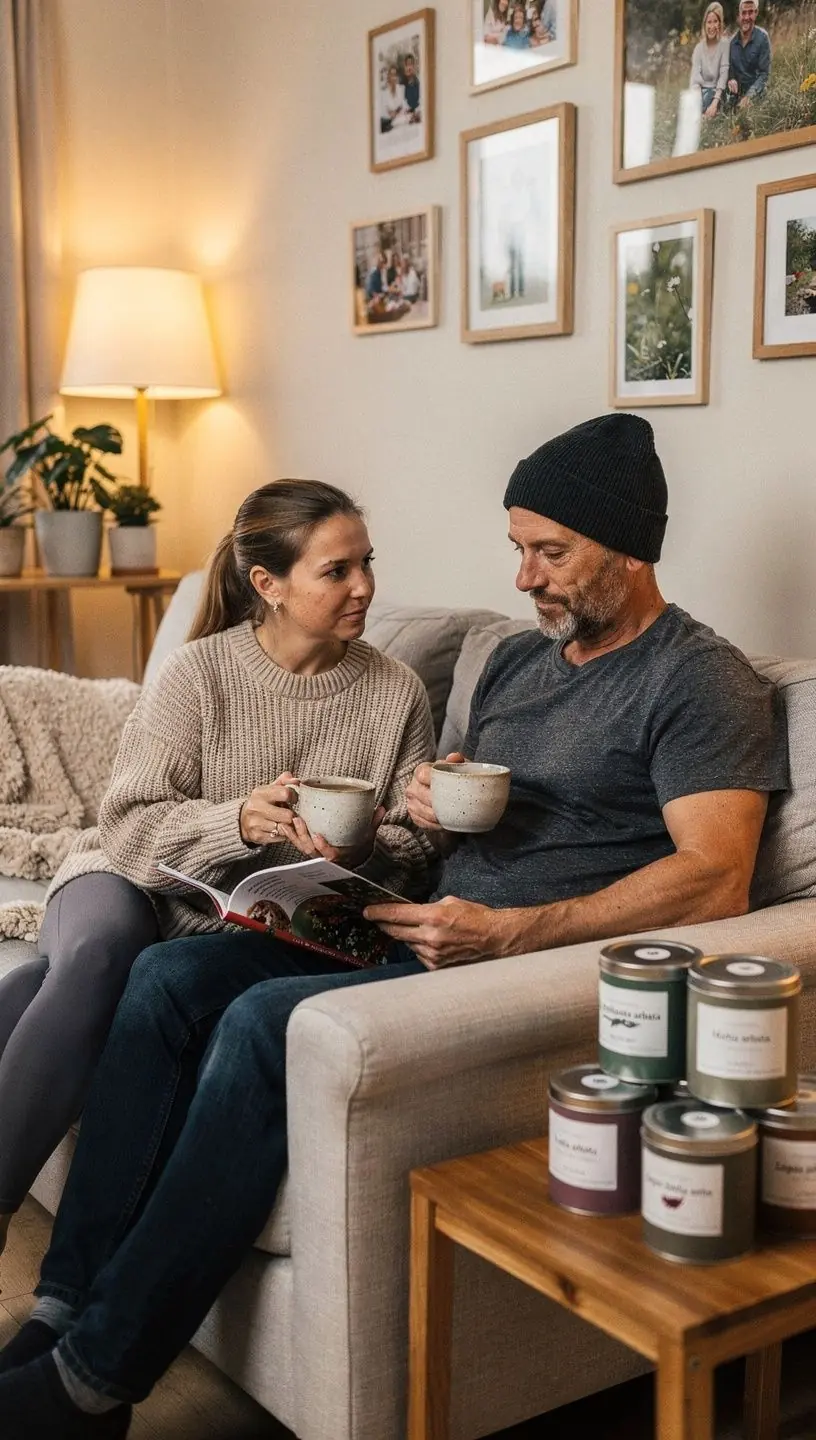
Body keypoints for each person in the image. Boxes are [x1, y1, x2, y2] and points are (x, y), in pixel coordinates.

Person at [0, 415, 788, 1438]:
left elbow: (718, 878)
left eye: (550, 552)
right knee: (161, 983)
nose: (524, 578)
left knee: (256, 1026)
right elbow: (445, 810)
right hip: (399, 919)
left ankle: (92, 1382)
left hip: (496, 955)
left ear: (630, 545)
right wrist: (416, 801)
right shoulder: (516, 663)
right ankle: (64, 1304)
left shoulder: (699, 679)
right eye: (518, 549)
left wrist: (512, 933)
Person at [0, 478, 434, 1248]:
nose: (364, 585)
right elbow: (128, 825)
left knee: (43, 987)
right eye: (337, 571)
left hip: (245, 922)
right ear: (267, 585)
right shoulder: (199, 674)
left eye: (367, 563)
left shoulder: (394, 692)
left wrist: (356, 845)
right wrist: (232, 820)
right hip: (128, 880)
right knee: (102, 953)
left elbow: (411, 851)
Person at [725, 0, 771, 109]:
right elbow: (728, 69)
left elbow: (764, 74)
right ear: (739, 15)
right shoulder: (732, 43)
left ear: (756, 13)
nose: (746, 17)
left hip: (757, 96)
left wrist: (749, 96)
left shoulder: (763, 38)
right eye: (744, 13)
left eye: (750, 12)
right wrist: (730, 79)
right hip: (736, 97)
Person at [690, 1, 729, 116]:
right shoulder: (698, 48)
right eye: (709, 22)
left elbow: (724, 73)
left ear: (720, 23)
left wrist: (714, 103)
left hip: (718, 93)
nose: (712, 26)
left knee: (710, 98)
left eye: (715, 21)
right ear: (705, 24)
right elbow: (695, 79)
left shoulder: (724, 44)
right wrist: (697, 102)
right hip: (701, 93)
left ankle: (706, 118)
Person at [379, 63, 405, 131]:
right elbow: (385, 110)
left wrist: (397, 112)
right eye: (392, 75)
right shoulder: (384, 91)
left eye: (395, 75)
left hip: (398, 118)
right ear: (388, 76)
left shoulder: (399, 88)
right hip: (387, 120)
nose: (394, 77)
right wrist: (392, 113)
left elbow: (402, 105)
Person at [402, 52, 421, 121]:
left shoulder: (419, 83)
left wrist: (417, 112)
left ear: (414, 66)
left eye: (410, 64)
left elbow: (422, 101)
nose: (409, 67)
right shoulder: (401, 85)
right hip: (406, 117)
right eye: (407, 65)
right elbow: (402, 103)